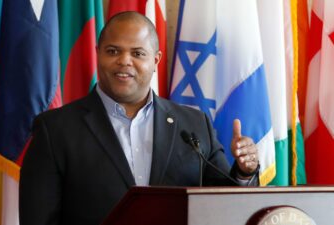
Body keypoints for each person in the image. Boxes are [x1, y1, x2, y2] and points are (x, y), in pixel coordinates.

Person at [19, 11, 259, 225]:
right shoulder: (54, 130)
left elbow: (225, 203)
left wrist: (244, 172)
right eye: (113, 51)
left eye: (137, 53)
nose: (124, 60)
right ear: (97, 54)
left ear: (155, 60)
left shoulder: (195, 125)